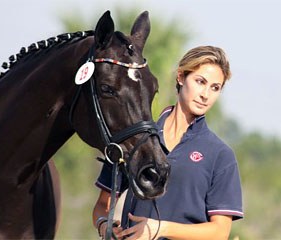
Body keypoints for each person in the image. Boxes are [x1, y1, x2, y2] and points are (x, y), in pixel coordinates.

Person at [92, 45, 243, 240]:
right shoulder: (134, 141)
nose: (206, 94)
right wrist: (105, 225)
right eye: (200, 81)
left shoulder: (220, 155)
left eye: (215, 88)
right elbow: (102, 206)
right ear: (181, 77)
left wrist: (161, 229)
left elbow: (220, 232)